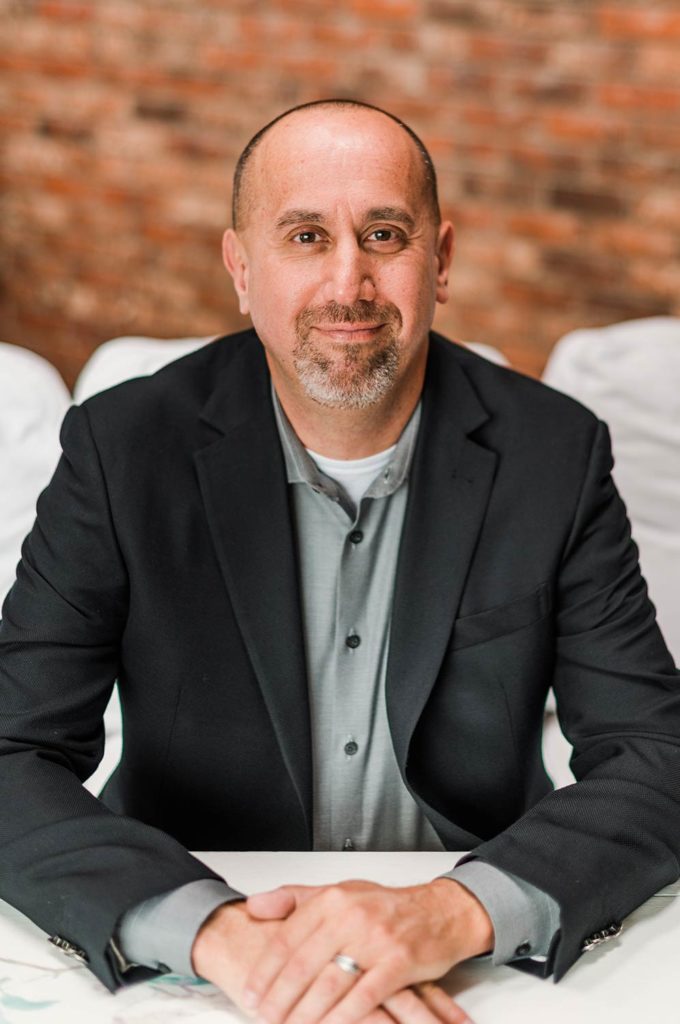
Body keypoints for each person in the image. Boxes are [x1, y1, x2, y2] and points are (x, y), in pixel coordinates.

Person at [1, 99, 679, 1024]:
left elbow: (658, 753)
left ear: (439, 260)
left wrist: (455, 909)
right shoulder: (123, 450)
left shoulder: (552, 454)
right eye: (307, 236)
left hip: (473, 952)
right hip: (197, 957)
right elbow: (9, 751)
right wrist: (217, 935)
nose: (349, 281)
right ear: (242, 267)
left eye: (385, 235)